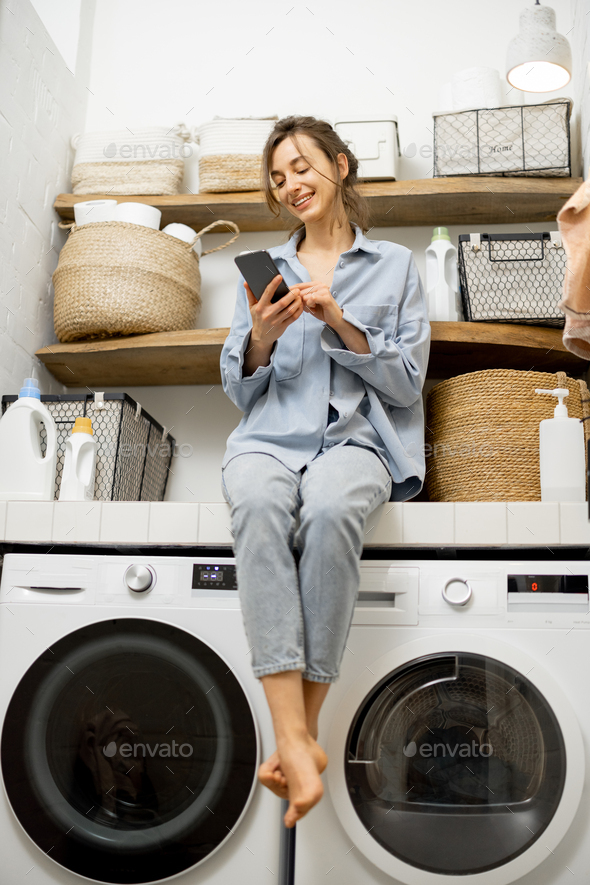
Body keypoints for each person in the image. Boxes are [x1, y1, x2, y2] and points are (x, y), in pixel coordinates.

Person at [219, 115, 430, 829]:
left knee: (334, 509)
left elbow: (405, 384)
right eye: (278, 178)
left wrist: (339, 319)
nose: (291, 185)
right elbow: (239, 388)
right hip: (269, 439)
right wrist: (261, 339)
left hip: (357, 442)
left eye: (302, 167)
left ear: (340, 165)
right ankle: (297, 738)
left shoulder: (396, 266)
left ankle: (295, 737)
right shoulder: (265, 270)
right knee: (253, 503)